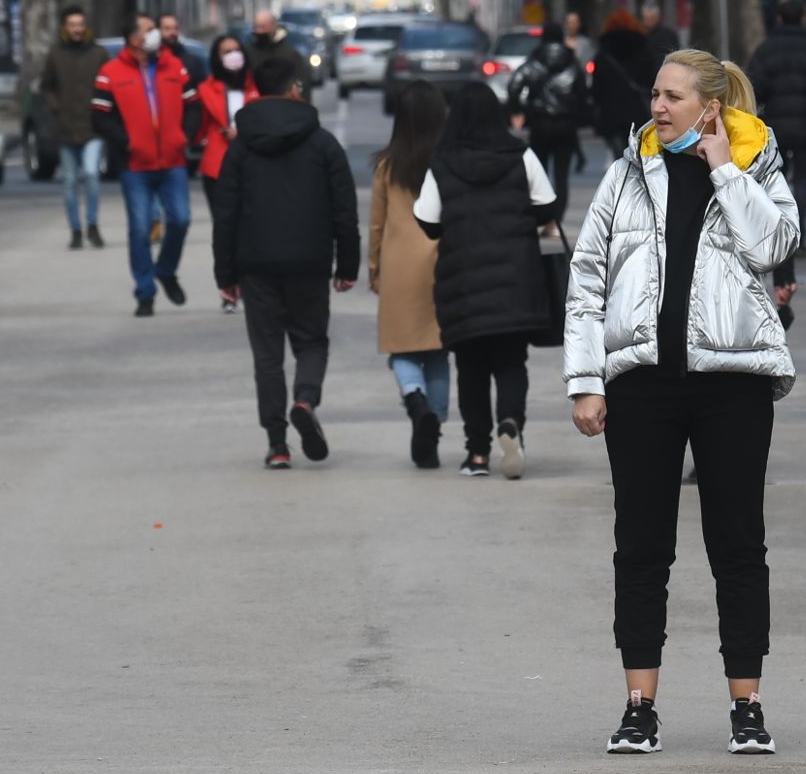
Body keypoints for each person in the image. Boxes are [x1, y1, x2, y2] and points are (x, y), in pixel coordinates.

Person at [564, 47, 800, 756]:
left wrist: (726, 169)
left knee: (738, 545)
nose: (656, 107)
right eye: (656, 94)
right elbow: (587, 279)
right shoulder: (624, 175)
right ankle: (640, 705)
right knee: (640, 547)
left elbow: (777, 244)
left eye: (671, 96)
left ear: (710, 107)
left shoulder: (758, 169)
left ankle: (747, 705)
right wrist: (585, 379)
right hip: (642, 386)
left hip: (734, 384)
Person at [214, 46, 362, 467]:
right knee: (312, 341)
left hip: (255, 263)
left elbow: (225, 212)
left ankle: (277, 445)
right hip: (310, 261)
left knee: (267, 354)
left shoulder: (241, 148)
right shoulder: (322, 144)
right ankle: (306, 401)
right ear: (295, 88)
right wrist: (346, 265)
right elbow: (343, 210)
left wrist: (225, 273)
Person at [420, 77, 562, 479]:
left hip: (462, 282)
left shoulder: (441, 161)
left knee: (471, 369)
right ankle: (511, 422)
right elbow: (547, 204)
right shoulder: (520, 155)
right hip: (517, 277)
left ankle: (477, 454)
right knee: (512, 361)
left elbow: (427, 219)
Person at [368, 82, 454, 468]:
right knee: (438, 351)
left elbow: (376, 224)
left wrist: (375, 269)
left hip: (399, 265)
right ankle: (434, 419)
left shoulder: (388, 164)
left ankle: (415, 399)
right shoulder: (449, 159)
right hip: (443, 261)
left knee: (402, 350)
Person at [95, 14, 203, 315]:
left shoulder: (175, 67)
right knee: (140, 229)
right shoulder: (110, 72)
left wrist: (185, 136)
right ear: (133, 38)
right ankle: (145, 292)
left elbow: (194, 105)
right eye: (149, 30)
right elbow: (100, 116)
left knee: (180, 219)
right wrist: (126, 142)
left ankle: (166, 269)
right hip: (135, 166)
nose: (155, 34)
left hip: (173, 161)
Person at [745, 6, 806, 235]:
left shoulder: (765, 51)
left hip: (775, 126)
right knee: (804, 180)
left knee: (777, 179)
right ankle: (800, 229)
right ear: (802, 18)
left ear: (778, 18)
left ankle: (781, 229)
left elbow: (754, 88)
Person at [32, 6, 114, 251]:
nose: (77, 29)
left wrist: (104, 109)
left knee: (91, 173)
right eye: (72, 25)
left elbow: (110, 84)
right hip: (66, 128)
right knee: (68, 181)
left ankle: (93, 224)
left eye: (80, 24)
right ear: (65, 28)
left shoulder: (98, 54)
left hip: (93, 127)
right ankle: (75, 230)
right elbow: (46, 86)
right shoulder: (56, 54)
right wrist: (56, 107)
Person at [192, 30, 256, 290]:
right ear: (217, 58)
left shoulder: (256, 85)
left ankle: (250, 277)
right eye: (226, 52)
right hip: (217, 165)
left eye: (236, 50)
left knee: (250, 224)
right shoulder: (207, 89)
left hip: (252, 164)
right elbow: (198, 128)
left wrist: (245, 130)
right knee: (224, 226)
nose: (233, 56)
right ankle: (228, 281)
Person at [511, 23, 591, 199]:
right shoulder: (572, 62)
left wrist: (518, 110)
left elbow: (514, 85)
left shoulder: (533, 61)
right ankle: (558, 216)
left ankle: (543, 212)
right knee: (561, 177)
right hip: (566, 124)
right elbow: (582, 92)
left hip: (540, 123)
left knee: (540, 174)